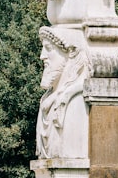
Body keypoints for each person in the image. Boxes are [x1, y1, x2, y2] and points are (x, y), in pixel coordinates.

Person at [36, 26, 89, 160]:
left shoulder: (74, 102)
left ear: (70, 53)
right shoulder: (48, 100)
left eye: (48, 49)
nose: (42, 56)